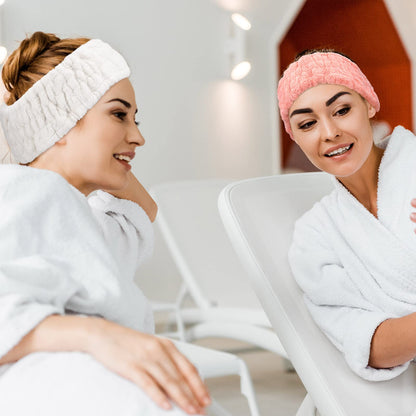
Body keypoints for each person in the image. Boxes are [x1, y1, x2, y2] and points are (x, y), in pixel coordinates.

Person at [0, 32, 210, 415]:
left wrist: (51, 137)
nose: (139, 136)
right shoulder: (20, 191)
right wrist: (99, 335)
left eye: (135, 118)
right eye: (118, 114)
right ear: (61, 123)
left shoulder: (79, 219)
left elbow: (143, 211)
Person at [277, 49, 416, 381]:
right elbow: (367, 342)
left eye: (341, 110)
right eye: (307, 123)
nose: (329, 133)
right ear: (295, 136)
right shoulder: (314, 236)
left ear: (369, 104)